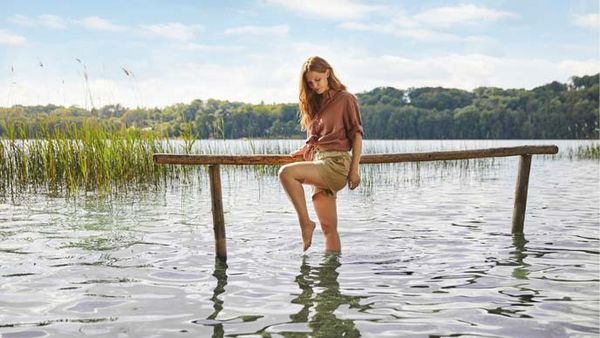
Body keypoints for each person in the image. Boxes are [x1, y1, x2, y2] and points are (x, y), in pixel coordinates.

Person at [278, 56, 364, 253]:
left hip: (336, 164)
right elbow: (321, 136)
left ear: (327, 72)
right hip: (319, 161)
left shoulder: (346, 99)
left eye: (317, 79)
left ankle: (305, 223)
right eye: (310, 83)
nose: (314, 85)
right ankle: (330, 279)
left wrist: (354, 170)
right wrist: (307, 148)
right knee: (329, 229)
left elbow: (357, 135)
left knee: (286, 173)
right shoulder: (315, 104)